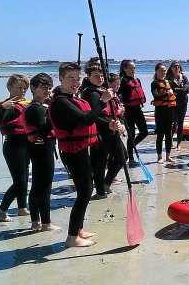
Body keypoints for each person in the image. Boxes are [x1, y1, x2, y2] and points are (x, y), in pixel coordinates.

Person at [49, 62, 114, 248]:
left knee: (87, 189)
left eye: (78, 78)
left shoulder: (70, 98)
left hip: (80, 149)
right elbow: (86, 120)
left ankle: (79, 230)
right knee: (84, 192)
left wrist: (108, 123)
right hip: (72, 152)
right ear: (60, 78)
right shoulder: (61, 102)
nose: (75, 82)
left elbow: (91, 117)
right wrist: (103, 100)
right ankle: (71, 238)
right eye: (70, 78)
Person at [21, 73, 59, 231]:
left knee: (37, 185)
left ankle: (35, 221)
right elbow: (43, 131)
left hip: (37, 148)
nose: (47, 90)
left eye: (49, 87)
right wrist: (54, 112)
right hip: (42, 149)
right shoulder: (36, 109)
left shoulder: (36, 107)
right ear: (33, 88)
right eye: (43, 87)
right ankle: (46, 223)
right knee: (44, 186)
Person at [0, 74, 30, 222]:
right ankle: (1, 212)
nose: (23, 91)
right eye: (19, 87)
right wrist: (1, 109)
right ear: (10, 87)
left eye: (25, 88)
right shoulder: (7, 105)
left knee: (25, 178)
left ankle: (22, 208)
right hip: (13, 147)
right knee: (19, 181)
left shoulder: (20, 104)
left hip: (24, 145)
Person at [82, 64, 124, 199]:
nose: (100, 78)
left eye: (101, 75)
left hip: (112, 129)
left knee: (123, 156)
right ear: (88, 77)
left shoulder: (104, 90)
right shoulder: (90, 93)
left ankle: (107, 182)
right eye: (95, 75)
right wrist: (109, 123)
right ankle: (100, 191)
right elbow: (95, 115)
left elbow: (112, 110)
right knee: (99, 162)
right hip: (99, 132)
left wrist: (119, 122)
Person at [118, 59, 148, 167]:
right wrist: (120, 107)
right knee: (131, 134)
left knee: (144, 132)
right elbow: (117, 95)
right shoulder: (123, 81)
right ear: (125, 69)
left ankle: (129, 148)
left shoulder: (137, 80)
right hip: (128, 111)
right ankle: (131, 158)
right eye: (130, 68)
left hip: (137, 109)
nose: (133, 70)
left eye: (134, 68)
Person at [104, 72, 128, 189]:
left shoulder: (116, 97)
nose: (118, 87)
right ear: (109, 84)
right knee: (122, 156)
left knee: (121, 156)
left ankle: (108, 180)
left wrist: (122, 125)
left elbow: (120, 114)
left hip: (116, 130)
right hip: (107, 132)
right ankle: (106, 182)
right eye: (116, 85)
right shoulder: (105, 97)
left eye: (119, 85)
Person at [151, 63, 176, 163]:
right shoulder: (154, 83)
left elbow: (175, 94)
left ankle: (168, 156)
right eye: (161, 70)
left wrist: (173, 94)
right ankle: (159, 156)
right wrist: (167, 94)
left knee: (169, 135)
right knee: (160, 134)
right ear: (156, 71)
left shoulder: (169, 82)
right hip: (160, 111)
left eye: (164, 70)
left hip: (169, 111)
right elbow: (156, 96)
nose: (163, 72)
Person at [166, 61, 189, 150]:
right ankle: (170, 140)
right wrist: (179, 90)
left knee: (181, 123)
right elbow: (169, 90)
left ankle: (179, 143)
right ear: (171, 68)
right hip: (173, 104)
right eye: (174, 66)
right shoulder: (168, 79)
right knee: (173, 123)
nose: (176, 68)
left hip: (183, 103)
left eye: (178, 66)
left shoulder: (184, 77)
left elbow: (187, 90)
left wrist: (176, 90)